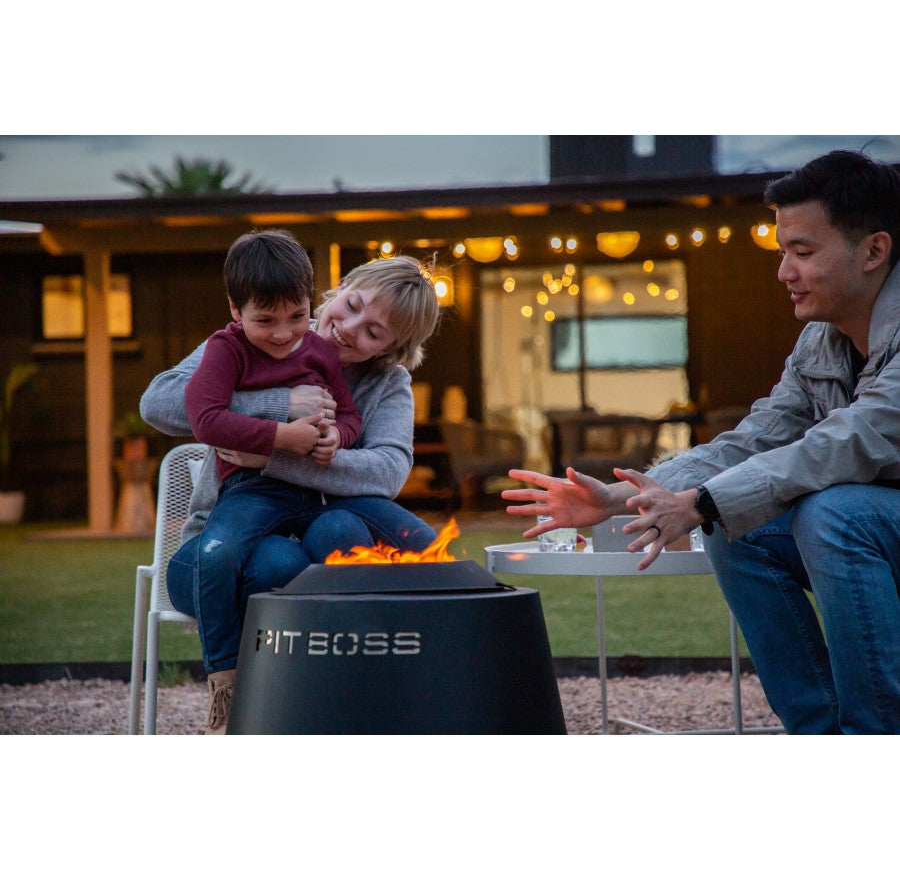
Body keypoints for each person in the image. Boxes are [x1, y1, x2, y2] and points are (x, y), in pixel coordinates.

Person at [503, 149, 900, 734]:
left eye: (803, 252)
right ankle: (818, 734)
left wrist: (702, 501)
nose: (783, 272)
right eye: (783, 251)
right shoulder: (822, 340)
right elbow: (755, 438)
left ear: (873, 251)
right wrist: (619, 500)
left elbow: (849, 440)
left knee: (830, 514)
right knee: (736, 527)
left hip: (864, 521)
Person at [140, 250, 441, 733]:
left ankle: (323, 710)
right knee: (279, 565)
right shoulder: (260, 330)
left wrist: (274, 455)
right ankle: (260, 706)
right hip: (216, 551)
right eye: (354, 304)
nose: (349, 327)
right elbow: (158, 402)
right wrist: (278, 406)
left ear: (391, 348)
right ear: (341, 286)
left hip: (317, 545)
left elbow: (387, 472)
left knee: (335, 532)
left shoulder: (387, 383)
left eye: (374, 332)